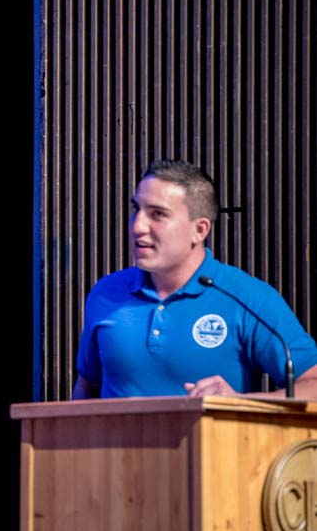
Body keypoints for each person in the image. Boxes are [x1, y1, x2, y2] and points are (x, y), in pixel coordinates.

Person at [73, 159, 317, 400]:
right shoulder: (106, 293)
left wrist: (243, 403)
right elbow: (88, 388)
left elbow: (313, 385)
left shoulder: (247, 298)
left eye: (157, 214)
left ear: (200, 230)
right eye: (137, 209)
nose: (137, 226)